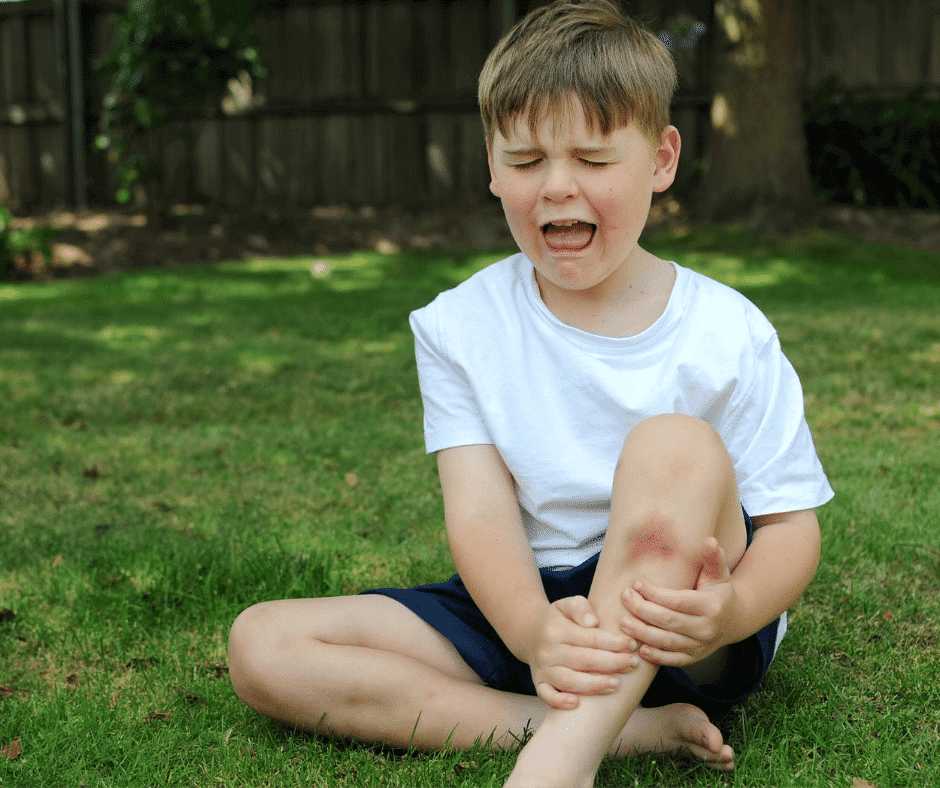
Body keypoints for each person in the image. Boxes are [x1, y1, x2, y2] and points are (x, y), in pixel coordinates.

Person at [227, 1, 834, 785]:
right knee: (263, 646)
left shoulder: (727, 331)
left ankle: (560, 762)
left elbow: (791, 525)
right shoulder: (459, 326)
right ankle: (613, 729)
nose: (556, 187)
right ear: (490, 164)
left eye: (592, 158)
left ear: (660, 158)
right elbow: (479, 512)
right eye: (524, 160)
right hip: (532, 605)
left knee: (672, 445)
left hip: (681, 618)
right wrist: (531, 631)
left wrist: (734, 611)